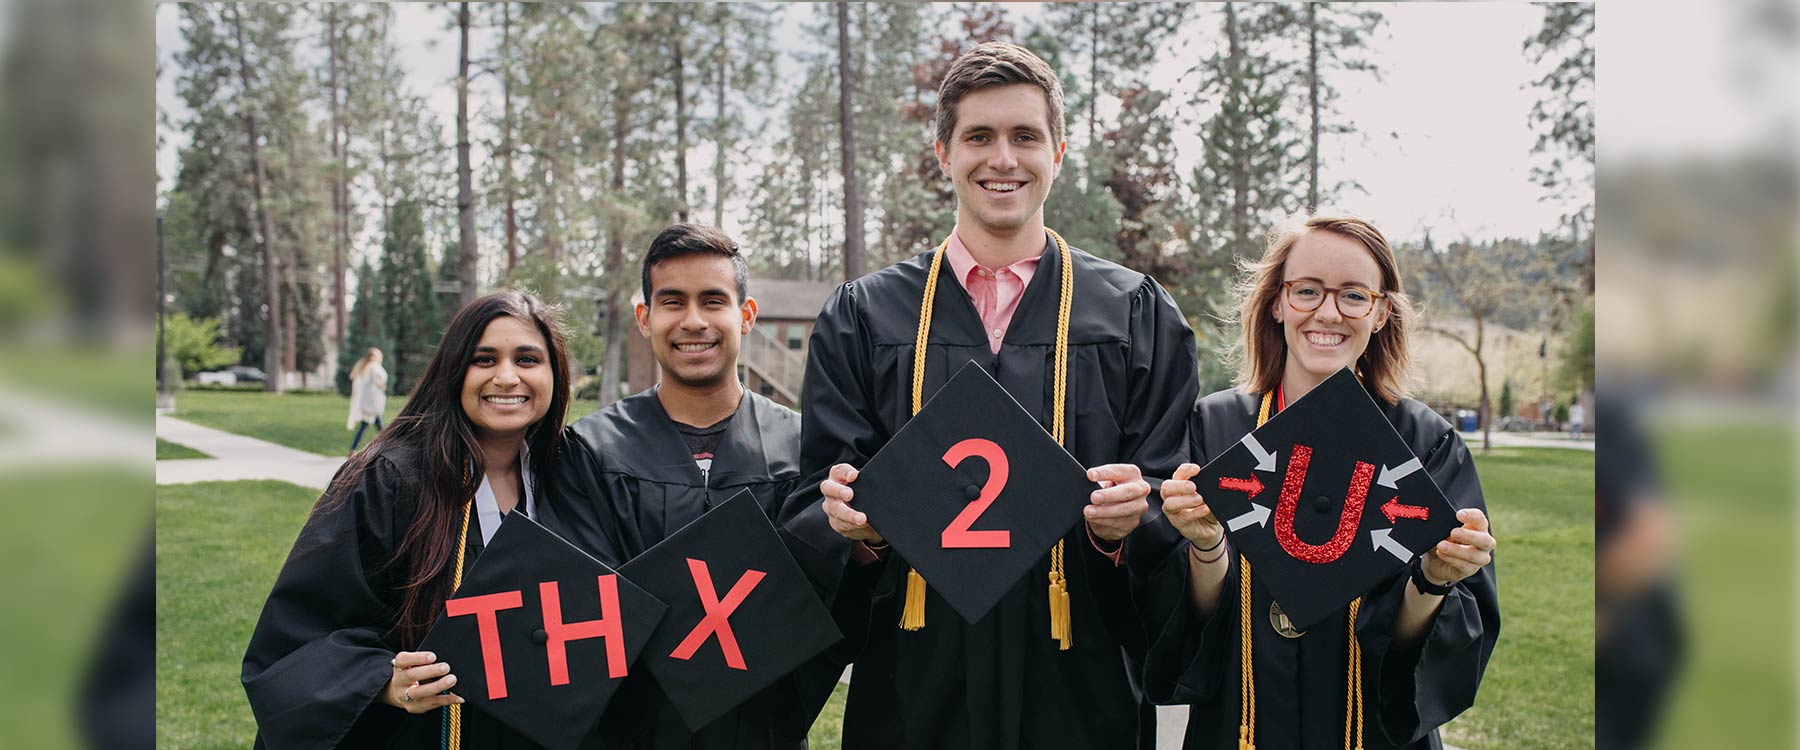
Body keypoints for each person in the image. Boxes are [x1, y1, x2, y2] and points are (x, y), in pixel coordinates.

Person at [784, 42, 1198, 750]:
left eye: (1025, 136)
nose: (1002, 158)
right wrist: (856, 528)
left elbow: (1170, 500)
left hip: (1082, 680)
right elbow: (814, 504)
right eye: (978, 136)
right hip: (916, 681)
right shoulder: (866, 317)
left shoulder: (1135, 315)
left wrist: (1133, 519)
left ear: (1058, 152)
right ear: (943, 152)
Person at [1142, 211, 1500, 749]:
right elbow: (1177, 627)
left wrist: (1434, 578)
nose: (1328, 312)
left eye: (1354, 295)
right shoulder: (1214, 433)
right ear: (1277, 302)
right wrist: (1208, 545)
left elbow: (1426, 659)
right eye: (1307, 290)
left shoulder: (1424, 445)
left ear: (1381, 314)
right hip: (1240, 730)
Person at [542, 223, 841, 749]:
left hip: (763, 729)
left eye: (713, 300)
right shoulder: (590, 452)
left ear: (746, 316)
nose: (694, 321)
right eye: (673, 302)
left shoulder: (801, 450)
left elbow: (832, 606)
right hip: (633, 735)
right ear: (645, 318)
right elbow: (584, 613)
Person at [243, 291, 575, 750]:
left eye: (527, 358)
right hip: (420, 734)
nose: (506, 376)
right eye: (483, 359)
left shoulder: (572, 478)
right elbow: (302, 630)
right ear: (454, 371)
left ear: (554, 374)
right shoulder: (391, 478)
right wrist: (384, 680)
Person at [347, 347, 389, 453]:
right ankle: (387, 446)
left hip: (368, 403)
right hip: (373, 403)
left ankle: (352, 449)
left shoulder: (365, 367)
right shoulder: (374, 367)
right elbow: (378, 381)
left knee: (365, 426)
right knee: (380, 427)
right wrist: (382, 385)